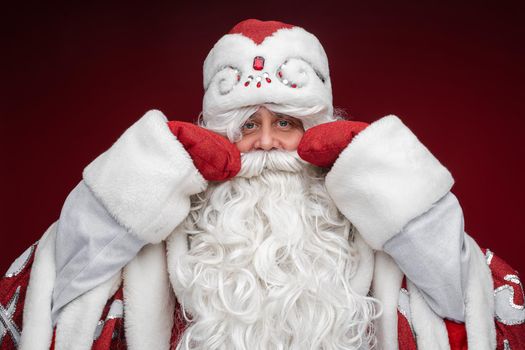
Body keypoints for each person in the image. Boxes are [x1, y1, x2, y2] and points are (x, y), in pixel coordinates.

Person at [1, 19, 523, 350]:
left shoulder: (380, 237)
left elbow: (465, 299)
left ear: (317, 133)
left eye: (287, 124)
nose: (269, 143)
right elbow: (52, 290)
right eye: (248, 125)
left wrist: (389, 174)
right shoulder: (160, 241)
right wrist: (140, 174)